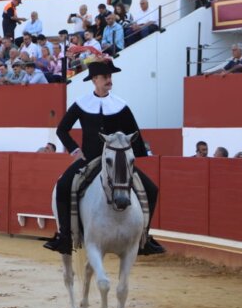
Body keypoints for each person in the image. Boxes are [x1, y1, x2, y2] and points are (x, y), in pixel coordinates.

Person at [45, 59, 164, 256]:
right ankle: (64, 236)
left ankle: (145, 237)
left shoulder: (120, 105)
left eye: (110, 76)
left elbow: (134, 134)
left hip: (118, 162)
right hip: (89, 159)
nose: (109, 80)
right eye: (105, 77)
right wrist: (75, 150)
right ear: (94, 80)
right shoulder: (82, 104)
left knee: (151, 190)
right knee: (63, 186)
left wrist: (133, 155)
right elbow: (62, 130)